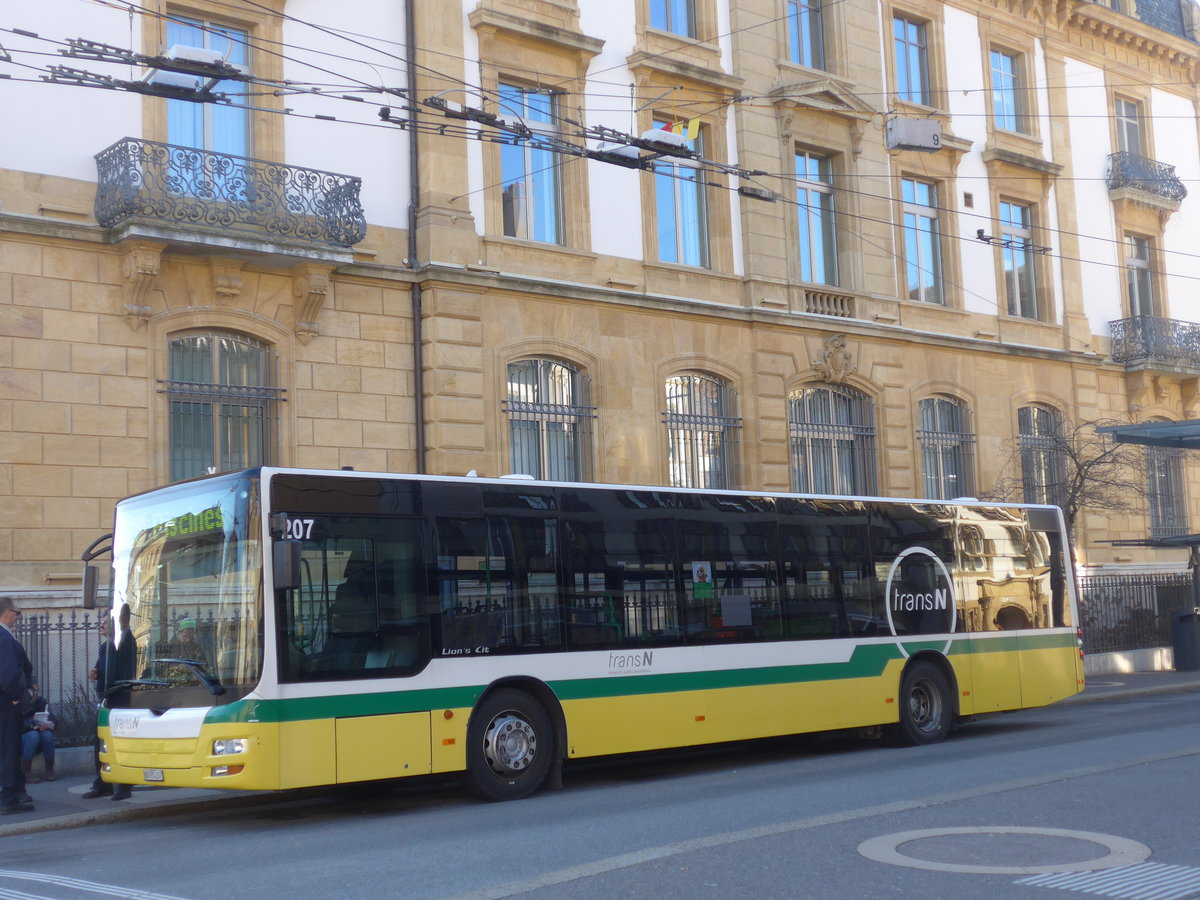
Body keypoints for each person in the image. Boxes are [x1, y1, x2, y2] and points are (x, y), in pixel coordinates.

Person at [84, 605, 137, 801]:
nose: (101, 625)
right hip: (106, 698)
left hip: (121, 698)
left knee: (120, 743)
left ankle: (124, 785)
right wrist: (95, 673)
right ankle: (102, 783)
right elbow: (102, 668)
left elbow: (125, 671)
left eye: (105, 622)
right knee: (100, 743)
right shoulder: (106, 646)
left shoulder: (126, 641)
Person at [0, 598, 34, 815]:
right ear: (6, 613)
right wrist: (18, 696)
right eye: (17, 613)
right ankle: (9, 799)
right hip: (6, 704)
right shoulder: (5, 638)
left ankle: (14, 793)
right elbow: (8, 673)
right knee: (9, 750)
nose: (18, 617)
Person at [20, 689, 55, 783]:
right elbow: (17, 724)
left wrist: (49, 724)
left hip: (40, 732)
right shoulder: (19, 702)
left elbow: (52, 716)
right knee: (33, 735)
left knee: (47, 735)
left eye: (36, 690)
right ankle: (26, 772)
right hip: (23, 738)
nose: (34, 693)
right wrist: (34, 726)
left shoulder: (41, 701)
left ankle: (49, 770)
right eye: (31, 690)